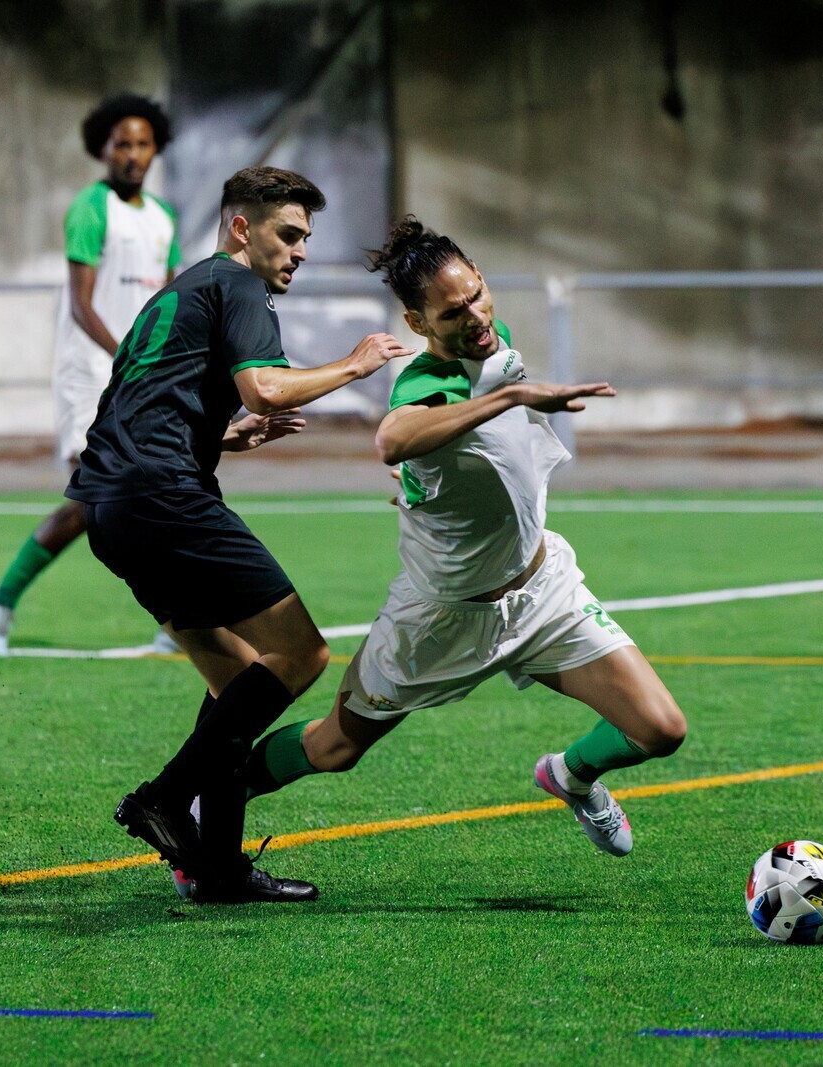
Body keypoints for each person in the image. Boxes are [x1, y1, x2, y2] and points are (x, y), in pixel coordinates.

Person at [191, 217, 689, 895]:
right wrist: (508, 401)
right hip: (440, 619)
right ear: (418, 323)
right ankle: (216, 800)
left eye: (476, 295)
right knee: (336, 747)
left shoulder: (492, 339)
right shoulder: (425, 381)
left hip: (540, 592)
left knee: (661, 728)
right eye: (452, 313)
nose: (475, 318)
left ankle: (571, 775)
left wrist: (431, 485)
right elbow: (393, 439)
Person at [67, 167, 413, 903]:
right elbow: (265, 386)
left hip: (110, 504)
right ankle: (165, 799)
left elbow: (138, 399)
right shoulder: (239, 284)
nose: (299, 251)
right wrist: (354, 365)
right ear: (241, 228)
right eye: (288, 234)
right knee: (302, 653)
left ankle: (218, 870)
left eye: (305, 238)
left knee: (236, 679)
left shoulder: (182, 289)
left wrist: (222, 436)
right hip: (164, 498)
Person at [0, 93, 300, 655]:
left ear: (156, 150)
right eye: (122, 144)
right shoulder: (91, 207)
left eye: (143, 144)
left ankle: (182, 616)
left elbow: (173, 296)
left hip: (142, 375)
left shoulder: (162, 217)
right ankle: (3, 600)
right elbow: (81, 305)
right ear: (102, 148)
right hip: (92, 371)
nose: (133, 154)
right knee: (100, 497)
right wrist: (130, 356)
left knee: (136, 490)